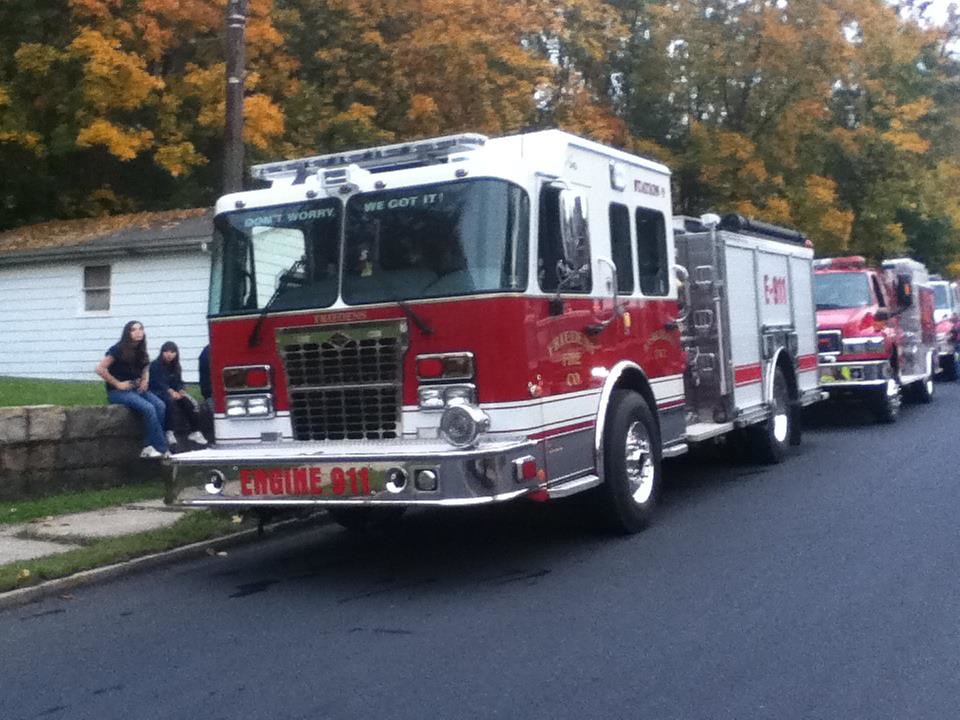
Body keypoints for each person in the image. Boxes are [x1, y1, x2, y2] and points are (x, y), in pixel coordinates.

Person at [95, 320, 168, 458]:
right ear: (127, 333)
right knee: (148, 408)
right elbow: (100, 369)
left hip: (136, 388)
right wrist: (117, 384)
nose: (138, 332)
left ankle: (149, 446)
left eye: (140, 329)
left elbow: (146, 366)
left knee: (160, 405)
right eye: (134, 329)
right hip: (118, 392)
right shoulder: (117, 349)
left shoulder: (141, 350)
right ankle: (162, 449)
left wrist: (145, 379)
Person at [149, 341, 208, 448]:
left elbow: (178, 382)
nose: (169, 354)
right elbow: (158, 382)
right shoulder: (155, 365)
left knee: (189, 402)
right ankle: (169, 431)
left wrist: (180, 390)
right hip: (157, 392)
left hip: (173, 391)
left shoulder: (176, 366)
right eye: (166, 351)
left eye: (172, 352)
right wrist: (170, 391)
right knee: (169, 402)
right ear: (162, 352)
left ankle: (195, 431)